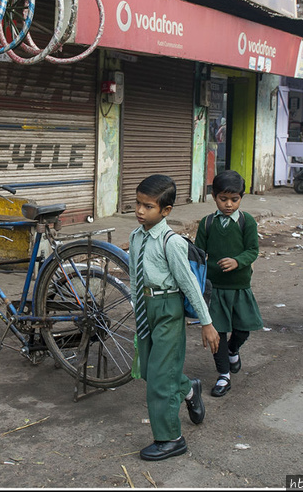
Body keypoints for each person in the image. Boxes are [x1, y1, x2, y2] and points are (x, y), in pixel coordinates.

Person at [130, 174, 219, 461]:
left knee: (159, 380)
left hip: (168, 309)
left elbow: (190, 286)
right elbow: (134, 276)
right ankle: (188, 389)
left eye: (148, 206)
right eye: (138, 204)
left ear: (166, 211)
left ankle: (171, 438)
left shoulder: (171, 243)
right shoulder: (136, 236)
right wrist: (137, 308)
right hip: (146, 308)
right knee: (148, 370)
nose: (140, 211)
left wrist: (206, 323)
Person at [193, 170, 262, 397]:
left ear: (242, 198)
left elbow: (252, 250)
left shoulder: (246, 222)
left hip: (239, 287)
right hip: (215, 289)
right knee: (217, 333)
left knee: (243, 328)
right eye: (224, 199)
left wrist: (237, 261)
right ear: (214, 196)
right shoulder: (207, 223)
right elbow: (198, 255)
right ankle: (223, 375)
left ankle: (234, 349)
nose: (229, 204)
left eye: (234, 199)